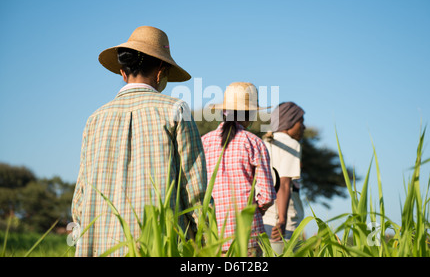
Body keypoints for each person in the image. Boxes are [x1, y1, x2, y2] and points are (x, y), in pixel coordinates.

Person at [71, 26, 207, 256]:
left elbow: (81, 196)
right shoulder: (175, 110)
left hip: (100, 245)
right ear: (161, 70)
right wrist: (204, 240)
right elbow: (194, 189)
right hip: (157, 245)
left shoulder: (95, 119)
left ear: (123, 73)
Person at [201, 82, 276, 257]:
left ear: (222, 112)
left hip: (213, 236)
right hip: (248, 234)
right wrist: (258, 208)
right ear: (249, 114)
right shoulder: (254, 143)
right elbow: (267, 196)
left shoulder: (204, 142)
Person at [263, 102, 306, 243]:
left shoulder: (264, 142)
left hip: (263, 219)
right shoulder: (291, 144)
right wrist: (282, 220)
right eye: (301, 121)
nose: (303, 127)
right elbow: (284, 184)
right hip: (283, 224)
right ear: (290, 121)